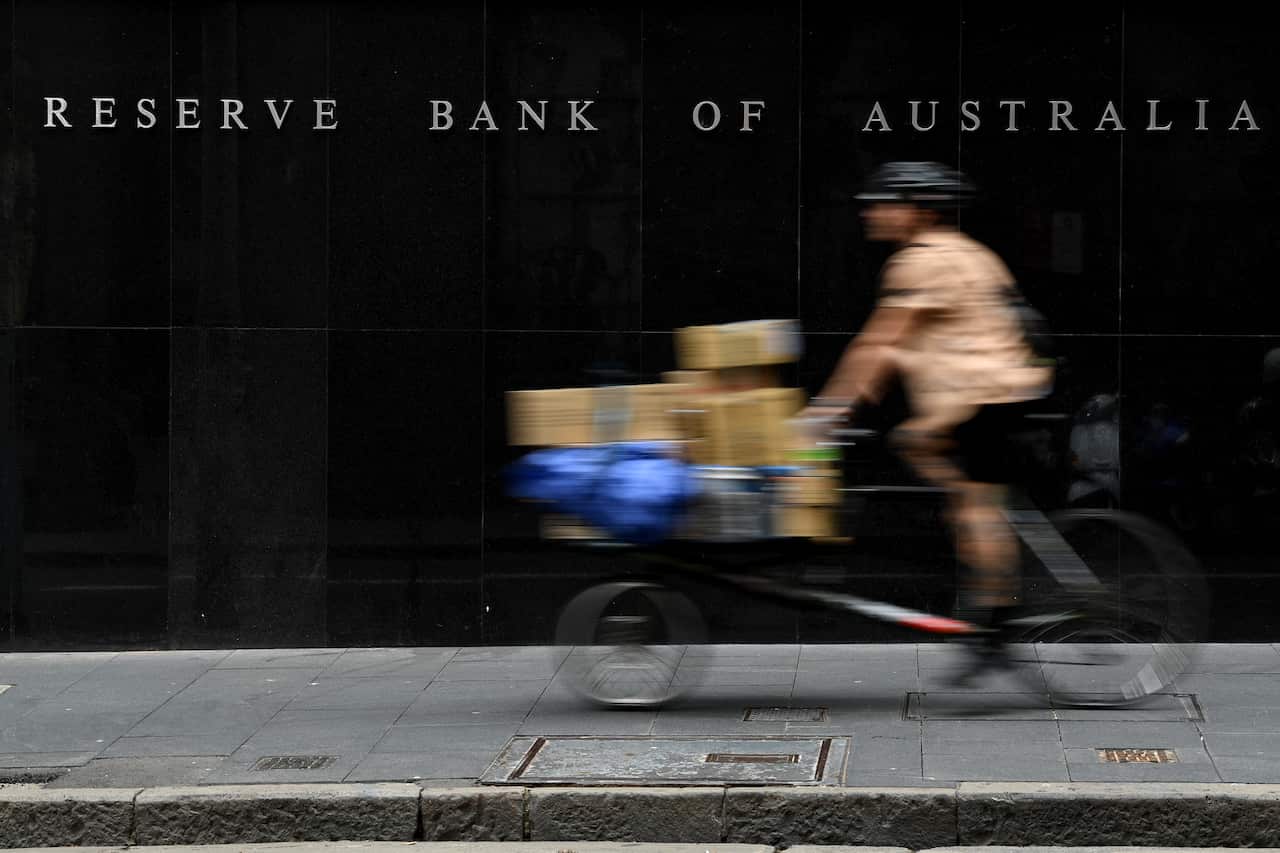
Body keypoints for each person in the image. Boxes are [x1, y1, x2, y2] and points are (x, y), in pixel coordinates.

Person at [800, 161, 1054, 683]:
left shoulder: (920, 262)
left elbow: (879, 342)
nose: (871, 212)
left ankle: (996, 623)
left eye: (882, 202)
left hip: (982, 398)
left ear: (915, 210)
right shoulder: (970, 253)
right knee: (939, 468)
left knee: (972, 503)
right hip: (1006, 390)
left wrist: (826, 412)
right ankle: (993, 602)